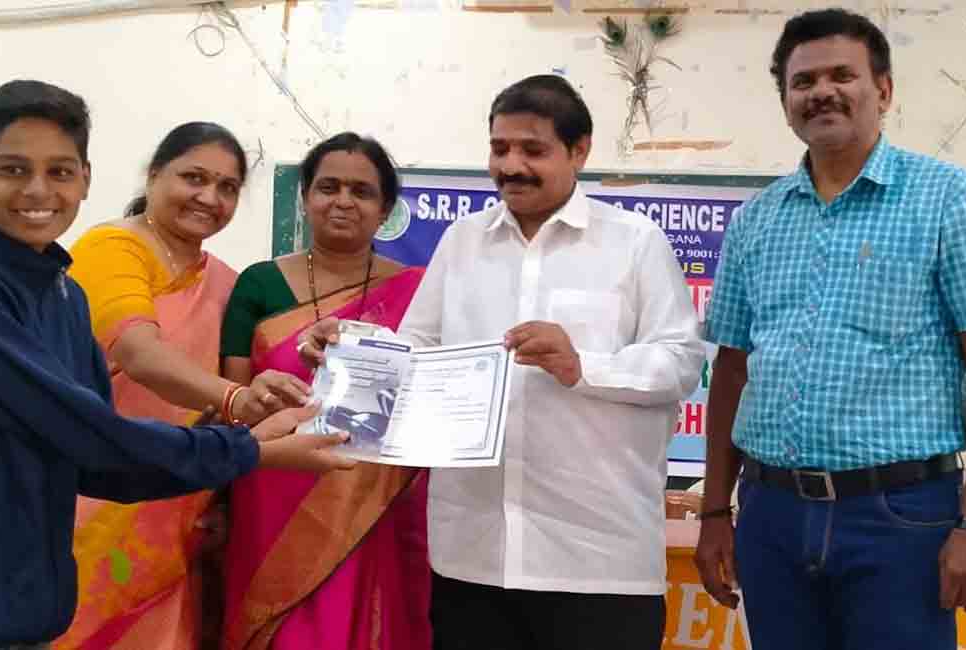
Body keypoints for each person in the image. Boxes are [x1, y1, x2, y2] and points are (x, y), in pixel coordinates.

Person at [0, 79, 353, 650]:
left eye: (61, 172)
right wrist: (251, 447)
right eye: (15, 170)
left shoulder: (65, 295)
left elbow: (98, 464)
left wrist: (253, 425)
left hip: (29, 600)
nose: (38, 190)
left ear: (87, 178)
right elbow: (85, 428)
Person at [301, 76, 705, 650]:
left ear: (579, 150)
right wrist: (353, 346)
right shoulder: (461, 242)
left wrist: (581, 364)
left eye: (532, 150)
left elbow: (681, 360)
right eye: (499, 148)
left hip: (597, 560)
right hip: (472, 557)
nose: (510, 165)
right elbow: (416, 352)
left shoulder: (634, 243)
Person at [694, 9, 966, 650]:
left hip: (901, 518)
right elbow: (733, 370)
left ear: (884, 90)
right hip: (770, 515)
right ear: (786, 102)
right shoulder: (755, 221)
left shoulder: (951, 200)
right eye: (803, 81)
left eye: (842, 74)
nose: (822, 91)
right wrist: (715, 510)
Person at [55, 123, 305, 650]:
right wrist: (235, 397)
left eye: (227, 187)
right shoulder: (111, 248)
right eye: (193, 178)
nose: (209, 198)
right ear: (153, 175)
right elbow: (138, 353)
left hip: (179, 507)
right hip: (94, 499)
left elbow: (244, 386)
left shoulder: (228, 283)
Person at [219, 132, 430, 650]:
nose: (342, 201)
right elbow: (231, 395)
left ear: (385, 210)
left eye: (361, 191)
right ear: (306, 197)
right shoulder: (258, 284)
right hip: (273, 487)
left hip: (372, 498)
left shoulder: (420, 290)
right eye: (328, 186)